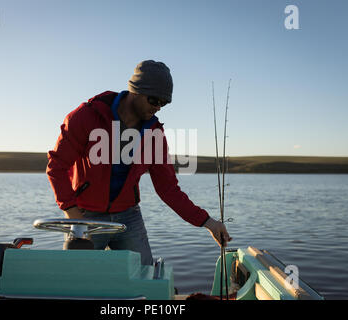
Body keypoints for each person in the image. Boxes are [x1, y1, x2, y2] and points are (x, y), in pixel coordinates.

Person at [46, 60, 231, 265]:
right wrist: (70, 210)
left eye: (164, 103)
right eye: (154, 100)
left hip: (128, 216)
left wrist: (208, 222)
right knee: (77, 282)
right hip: (85, 216)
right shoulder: (86, 117)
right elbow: (56, 166)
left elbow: (169, 189)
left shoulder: (155, 134)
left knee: (146, 279)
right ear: (135, 91)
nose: (158, 107)